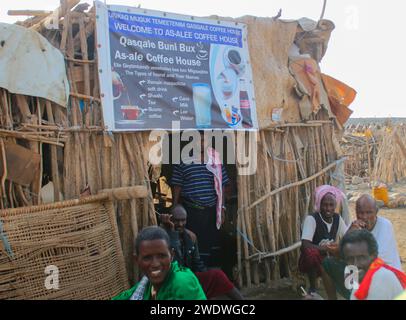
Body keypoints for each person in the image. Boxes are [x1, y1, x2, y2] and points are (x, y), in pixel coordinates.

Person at [322, 194, 402, 299]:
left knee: (354, 267)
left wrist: (340, 250)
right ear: (356, 212)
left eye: (369, 212)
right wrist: (350, 232)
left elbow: (376, 259)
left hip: (386, 274)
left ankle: (353, 293)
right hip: (364, 271)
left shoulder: (385, 225)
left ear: (376, 211)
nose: (364, 217)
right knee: (328, 263)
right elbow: (345, 252)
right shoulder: (355, 226)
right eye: (361, 213)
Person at [160, 204, 244, 300]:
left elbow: (197, 263)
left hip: (189, 279)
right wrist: (172, 233)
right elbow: (175, 265)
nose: (180, 224)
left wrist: (207, 281)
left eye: (183, 220)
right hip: (171, 281)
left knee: (217, 275)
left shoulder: (190, 237)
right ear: (170, 220)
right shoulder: (162, 237)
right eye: (176, 220)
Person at [171, 132, 229, 267]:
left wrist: (222, 208)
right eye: (198, 140)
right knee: (192, 242)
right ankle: (195, 273)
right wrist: (174, 206)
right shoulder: (184, 160)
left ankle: (208, 273)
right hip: (191, 211)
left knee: (210, 244)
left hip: (211, 211)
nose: (201, 143)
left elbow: (222, 186)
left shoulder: (215, 161)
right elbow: (177, 186)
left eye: (204, 140)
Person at [112, 226, 206, 300]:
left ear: (171, 255)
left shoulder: (182, 282)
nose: (155, 264)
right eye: (147, 258)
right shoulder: (147, 284)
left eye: (161, 256)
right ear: (137, 260)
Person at [299, 185, 348, 294]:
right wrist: (326, 249)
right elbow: (305, 245)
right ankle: (312, 289)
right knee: (311, 253)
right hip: (312, 262)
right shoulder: (311, 219)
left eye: (331, 205)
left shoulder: (337, 218)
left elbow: (347, 236)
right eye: (325, 205)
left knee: (350, 250)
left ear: (335, 205)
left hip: (330, 259)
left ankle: (350, 287)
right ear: (319, 204)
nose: (328, 208)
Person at [340, 229, 406, 300]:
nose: (355, 264)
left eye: (361, 257)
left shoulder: (382, 278)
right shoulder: (359, 277)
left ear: (374, 256)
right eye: (350, 259)